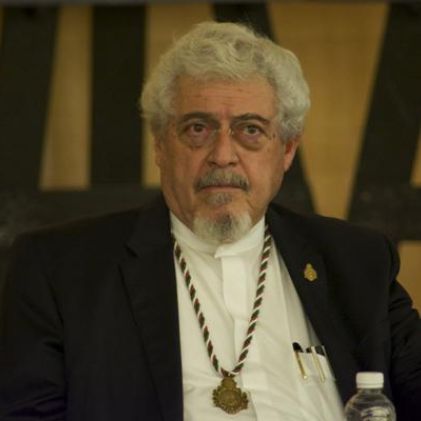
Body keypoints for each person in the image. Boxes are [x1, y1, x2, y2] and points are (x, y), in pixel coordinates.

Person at [1, 21, 420, 421]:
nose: (222, 155)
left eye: (250, 130)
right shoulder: (61, 272)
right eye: (198, 128)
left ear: (287, 150)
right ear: (160, 145)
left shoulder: (357, 261)